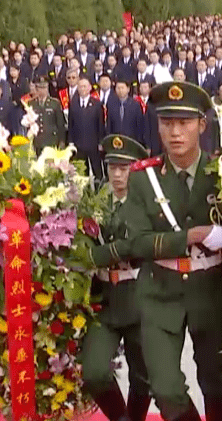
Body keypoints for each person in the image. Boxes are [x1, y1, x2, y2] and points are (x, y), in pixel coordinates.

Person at [123, 82, 222, 421]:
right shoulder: (144, 180)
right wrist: (193, 234)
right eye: (166, 123)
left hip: (209, 289)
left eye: (184, 123)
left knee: (214, 380)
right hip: (160, 290)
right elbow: (138, 243)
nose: (174, 132)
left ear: (202, 125)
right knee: (165, 387)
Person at [83, 135, 152, 421]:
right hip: (104, 300)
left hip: (139, 296)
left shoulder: (148, 205)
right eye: (112, 168)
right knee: (94, 371)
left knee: (143, 378)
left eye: (124, 168)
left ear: (134, 169)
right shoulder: (94, 203)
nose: (118, 174)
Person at [68, 78, 106, 183]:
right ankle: (85, 196)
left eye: (85, 86)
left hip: (94, 145)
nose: (83, 89)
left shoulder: (97, 104)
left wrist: (101, 142)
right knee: (81, 175)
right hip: (79, 145)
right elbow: (71, 124)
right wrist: (70, 142)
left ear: (89, 88)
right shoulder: (73, 104)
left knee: (97, 173)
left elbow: (101, 125)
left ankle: (99, 195)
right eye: (80, 86)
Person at [28, 76, 67, 153]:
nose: (43, 90)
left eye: (44, 88)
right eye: (40, 88)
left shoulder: (55, 103)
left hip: (51, 141)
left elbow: (60, 124)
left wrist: (62, 141)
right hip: (37, 141)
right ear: (36, 89)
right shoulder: (31, 103)